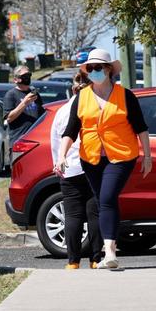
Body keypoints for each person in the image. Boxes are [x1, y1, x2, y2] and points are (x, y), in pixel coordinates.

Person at [55, 49, 152, 270]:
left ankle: (109, 251)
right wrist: (61, 155)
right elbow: (71, 129)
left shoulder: (125, 95)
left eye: (98, 67)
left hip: (121, 156)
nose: (94, 71)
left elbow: (141, 128)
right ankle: (104, 251)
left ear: (109, 69)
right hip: (90, 157)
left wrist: (147, 155)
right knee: (103, 201)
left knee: (107, 197)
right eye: (90, 68)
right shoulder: (81, 97)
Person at [50, 72, 103, 269]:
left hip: (69, 168)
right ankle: (96, 259)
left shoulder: (62, 111)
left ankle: (73, 261)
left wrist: (58, 162)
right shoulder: (96, 107)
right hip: (92, 165)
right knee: (94, 214)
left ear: (73, 88)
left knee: (72, 215)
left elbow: (55, 141)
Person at [3, 65, 44, 146]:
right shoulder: (11, 94)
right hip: (18, 140)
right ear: (15, 79)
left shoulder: (34, 94)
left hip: (35, 140)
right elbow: (9, 118)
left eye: (29, 75)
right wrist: (24, 103)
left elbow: (42, 114)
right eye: (24, 76)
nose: (27, 78)